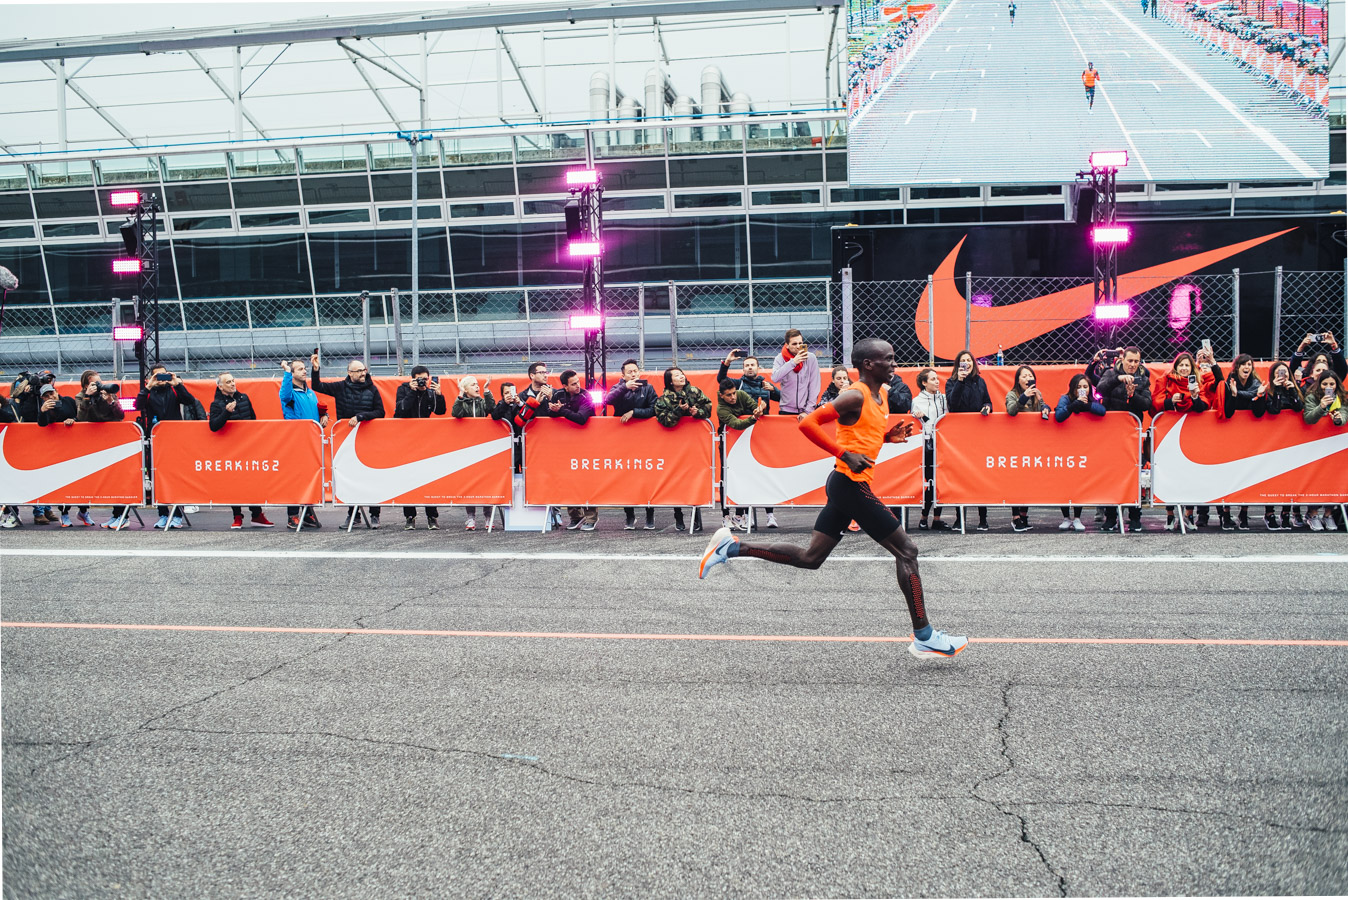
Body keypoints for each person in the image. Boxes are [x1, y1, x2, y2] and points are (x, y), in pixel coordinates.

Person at [698, 338, 968, 660]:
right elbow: (808, 423)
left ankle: (730, 547)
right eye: (888, 359)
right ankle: (924, 636)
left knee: (811, 558)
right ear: (869, 364)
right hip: (849, 485)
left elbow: (861, 433)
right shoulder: (853, 395)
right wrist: (843, 453)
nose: (894, 364)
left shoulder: (880, 395)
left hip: (846, 485)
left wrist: (886, 437)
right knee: (907, 551)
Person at [312, 354, 385, 529]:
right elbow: (317, 386)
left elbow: (380, 412)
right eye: (359, 371)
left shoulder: (372, 389)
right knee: (351, 477)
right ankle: (353, 515)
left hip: (368, 440)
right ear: (350, 373)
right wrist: (315, 370)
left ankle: (375, 515)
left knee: (371, 477)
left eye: (364, 370)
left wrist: (361, 416)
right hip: (347, 441)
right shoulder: (340, 387)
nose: (363, 373)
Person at [718, 350, 781, 529]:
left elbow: (782, 398)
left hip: (762, 433)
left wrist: (774, 390)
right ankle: (744, 515)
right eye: (746, 365)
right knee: (743, 473)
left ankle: (770, 514)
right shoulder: (737, 384)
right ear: (743, 369)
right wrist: (727, 362)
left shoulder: (765, 384)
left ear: (758, 368)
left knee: (765, 472)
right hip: (740, 435)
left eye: (753, 365)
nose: (750, 368)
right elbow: (721, 380)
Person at [208, 372, 274, 530]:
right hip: (231, 449)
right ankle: (237, 516)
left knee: (253, 481)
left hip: (249, 447)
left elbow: (253, 419)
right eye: (228, 382)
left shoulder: (244, 398)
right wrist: (226, 412)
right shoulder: (216, 404)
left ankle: (257, 514)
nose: (232, 384)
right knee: (234, 482)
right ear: (220, 386)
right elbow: (213, 426)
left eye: (233, 381)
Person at [1096, 347, 1151, 532]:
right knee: (1112, 475)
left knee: (1134, 475)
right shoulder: (1110, 373)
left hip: (1132, 434)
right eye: (1130, 361)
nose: (1133, 365)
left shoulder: (1143, 378)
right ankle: (1111, 517)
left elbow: (1146, 404)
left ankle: (1135, 517)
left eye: (1136, 361)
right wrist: (1118, 379)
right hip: (1112, 433)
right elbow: (1100, 389)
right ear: (1123, 360)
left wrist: (1133, 395)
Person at [1151, 353, 1207, 530]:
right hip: (1169, 433)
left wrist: (1195, 397)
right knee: (1170, 473)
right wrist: (1170, 401)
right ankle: (1170, 515)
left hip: (1191, 434)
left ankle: (1189, 515)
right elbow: (1155, 403)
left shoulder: (1198, 383)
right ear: (1176, 367)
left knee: (1191, 474)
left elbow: (1204, 405)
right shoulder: (1165, 380)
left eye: (1187, 365)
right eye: (1181, 365)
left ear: (1192, 368)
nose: (1184, 368)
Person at [136, 364, 196, 529]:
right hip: (155, 440)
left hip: (174, 440)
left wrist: (177, 384)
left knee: (176, 477)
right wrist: (149, 386)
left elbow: (190, 401)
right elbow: (137, 405)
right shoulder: (149, 392)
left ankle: (177, 514)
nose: (162, 379)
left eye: (164, 375)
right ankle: (162, 514)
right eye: (158, 376)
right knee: (156, 477)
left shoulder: (174, 390)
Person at [655, 367, 711, 533]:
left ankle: (696, 516)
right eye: (677, 375)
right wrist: (679, 411)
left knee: (695, 478)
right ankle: (678, 515)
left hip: (694, 444)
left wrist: (697, 412)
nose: (681, 377)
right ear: (670, 381)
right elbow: (665, 420)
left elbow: (708, 406)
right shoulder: (663, 399)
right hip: (674, 445)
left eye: (682, 374)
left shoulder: (695, 392)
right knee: (676, 480)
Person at [605, 359, 659, 530]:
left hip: (644, 439)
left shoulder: (648, 388)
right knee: (625, 477)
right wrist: (625, 388)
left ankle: (650, 514)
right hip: (623, 439)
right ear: (623, 375)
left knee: (647, 476)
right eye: (630, 372)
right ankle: (629, 515)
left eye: (636, 371)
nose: (634, 374)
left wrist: (634, 412)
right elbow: (607, 400)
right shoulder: (618, 387)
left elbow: (655, 409)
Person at [1215, 354, 1266, 531]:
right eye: (1243, 364)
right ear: (1237, 367)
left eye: (1249, 364)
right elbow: (1228, 412)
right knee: (1228, 475)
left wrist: (1259, 397)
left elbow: (1258, 413)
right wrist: (1234, 395)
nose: (1246, 367)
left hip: (1249, 436)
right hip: (1228, 435)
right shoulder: (1229, 384)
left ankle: (1243, 513)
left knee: (1247, 474)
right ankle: (1226, 513)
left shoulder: (1257, 385)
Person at [68, 370, 123, 527]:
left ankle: (118, 514)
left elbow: (120, 415)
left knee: (115, 479)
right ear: (86, 385)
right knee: (87, 478)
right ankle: (83, 511)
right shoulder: (80, 396)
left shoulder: (108, 392)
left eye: (100, 382)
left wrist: (110, 401)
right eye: (95, 383)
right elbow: (81, 418)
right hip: (90, 443)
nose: (99, 385)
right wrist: (87, 397)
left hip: (111, 440)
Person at [396, 365, 447, 530]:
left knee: (428, 477)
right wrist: (412, 392)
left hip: (426, 440)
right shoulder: (403, 390)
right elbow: (400, 410)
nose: (422, 382)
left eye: (425, 379)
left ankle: (432, 516)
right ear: (412, 379)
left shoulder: (430, 392)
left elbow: (440, 411)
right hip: (407, 440)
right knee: (407, 478)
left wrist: (439, 395)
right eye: (419, 379)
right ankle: (409, 516)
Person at [946, 350, 992, 531]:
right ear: (958, 365)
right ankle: (959, 518)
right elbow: (953, 405)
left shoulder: (980, 381)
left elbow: (988, 401)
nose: (966, 363)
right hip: (959, 435)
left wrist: (987, 407)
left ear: (973, 363)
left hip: (978, 434)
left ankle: (983, 518)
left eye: (969, 360)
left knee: (980, 476)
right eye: (963, 360)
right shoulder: (951, 382)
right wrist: (960, 381)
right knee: (960, 477)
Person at [1054, 373, 1106, 531]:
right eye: (1079, 387)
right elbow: (1059, 416)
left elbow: (1102, 411)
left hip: (1083, 447)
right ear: (1073, 388)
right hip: (1065, 445)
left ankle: (1077, 518)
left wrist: (1087, 406)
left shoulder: (1092, 399)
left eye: (1085, 387)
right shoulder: (1065, 398)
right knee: (1064, 482)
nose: (1082, 389)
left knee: (1079, 482)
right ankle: (1065, 517)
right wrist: (1073, 406)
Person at [279, 358, 326, 530]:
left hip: (311, 440)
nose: (304, 371)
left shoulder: (310, 393)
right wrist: (286, 373)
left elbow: (315, 410)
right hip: (296, 440)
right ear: (291, 374)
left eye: (304, 368)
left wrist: (324, 416)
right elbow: (284, 395)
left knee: (308, 476)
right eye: (299, 369)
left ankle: (307, 513)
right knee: (295, 478)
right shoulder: (290, 393)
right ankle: (292, 515)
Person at [717, 378, 768, 531]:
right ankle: (725, 516)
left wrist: (760, 408)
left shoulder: (742, 395)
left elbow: (755, 407)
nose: (733, 397)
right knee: (726, 479)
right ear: (721, 395)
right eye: (729, 395)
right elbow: (737, 424)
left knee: (744, 477)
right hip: (727, 447)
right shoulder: (721, 409)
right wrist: (753, 418)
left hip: (744, 445)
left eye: (734, 393)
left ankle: (740, 515)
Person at [552, 369, 599, 531]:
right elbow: (551, 415)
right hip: (565, 446)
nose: (578, 386)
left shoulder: (586, 396)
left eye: (578, 382)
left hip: (586, 445)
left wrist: (561, 411)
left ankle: (591, 517)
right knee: (567, 480)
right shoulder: (558, 395)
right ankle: (575, 516)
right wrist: (553, 410)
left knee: (586, 481)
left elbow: (581, 418)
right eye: (573, 384)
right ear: (565, 386)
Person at [1302, 370, 1347, 532]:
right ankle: (1313, 514)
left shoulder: (1341, 397)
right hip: (1315, 445)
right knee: (1316, 478)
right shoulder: (1311, 397)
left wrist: (1339, 419)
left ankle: (1328, 514)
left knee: (1333, 478)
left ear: (1337, 385)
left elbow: (1344, 413)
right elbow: (1308, 418)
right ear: (1319, 384)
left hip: (1334, 447)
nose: (1328, 387)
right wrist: (1321, 406)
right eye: (1325, 383)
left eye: (1332, 384)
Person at [1004, 365, 1046, 532]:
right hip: (1016, 441)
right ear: (1018, 379)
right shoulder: (1012, 394)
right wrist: (1024, 397)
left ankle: (1024, 514)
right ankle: (1015, 517)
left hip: (1033, 441)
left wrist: (1045, 408)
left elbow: (1042, 406)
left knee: (1029, 479)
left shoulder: (1037, 393)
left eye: (1030, 375)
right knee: (1016, 480)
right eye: (1024, 376)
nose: (1027, 378)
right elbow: (1011, 410)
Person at [451, 374, 496, 531]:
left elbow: (492, 409)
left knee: (486, 482)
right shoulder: (462, 402)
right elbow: (456, 413)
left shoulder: (482, 402)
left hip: (484, 447)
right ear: (465, 389)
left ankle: (488, 516)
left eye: (477, 384)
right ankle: (470, 517)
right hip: (467, 448)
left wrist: (487, 391)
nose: (477, 387)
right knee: (469, 482)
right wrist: (460, 395)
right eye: (473, 385)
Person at [1262, 360, 1301, 531]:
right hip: (1273, 440)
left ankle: (1286, 513)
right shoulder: (1269, 391)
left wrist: (1291, 390)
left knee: (1290, 477)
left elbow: (1298, 407)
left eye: (1285, 372)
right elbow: (1274, 410)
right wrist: (1277, 389)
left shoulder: (1294, 389)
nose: (1282, 376)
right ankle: (1269, 513)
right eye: (1278, 373)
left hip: (1293, 439)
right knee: (1271, 476)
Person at [911, 368, 951, 531]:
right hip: (928, 446)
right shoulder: (917, 400)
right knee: (929, 481)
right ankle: (923, 517)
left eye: (937, 378)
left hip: (943, 445)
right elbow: (915, 419)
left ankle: (937, 519)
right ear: (924, 382)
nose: (937, 381)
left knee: (940, 481)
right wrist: (917, 414)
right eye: (933, 379)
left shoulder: (944, 399)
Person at [771, 329, 821, 419]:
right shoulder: (780, 358)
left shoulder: (811, 358)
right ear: (787, 345)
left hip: (805, 411)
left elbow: (814, 385)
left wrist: (808, 410)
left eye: (800, 343)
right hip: (786, 410)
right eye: (794, 344)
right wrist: (793, 362)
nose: (798, 346)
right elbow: (775, 378)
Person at [492, 381, 525, 472]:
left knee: (525, 467)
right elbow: (495, 416)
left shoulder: (520, 403)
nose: (509, 395)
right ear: (502, 395)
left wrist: (519, 403)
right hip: (507, 443)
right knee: (511, 469)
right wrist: (505, 404)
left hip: (523, 441)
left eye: (511, 392)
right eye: (506, 393)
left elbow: (530, 414)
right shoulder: (501, 404)